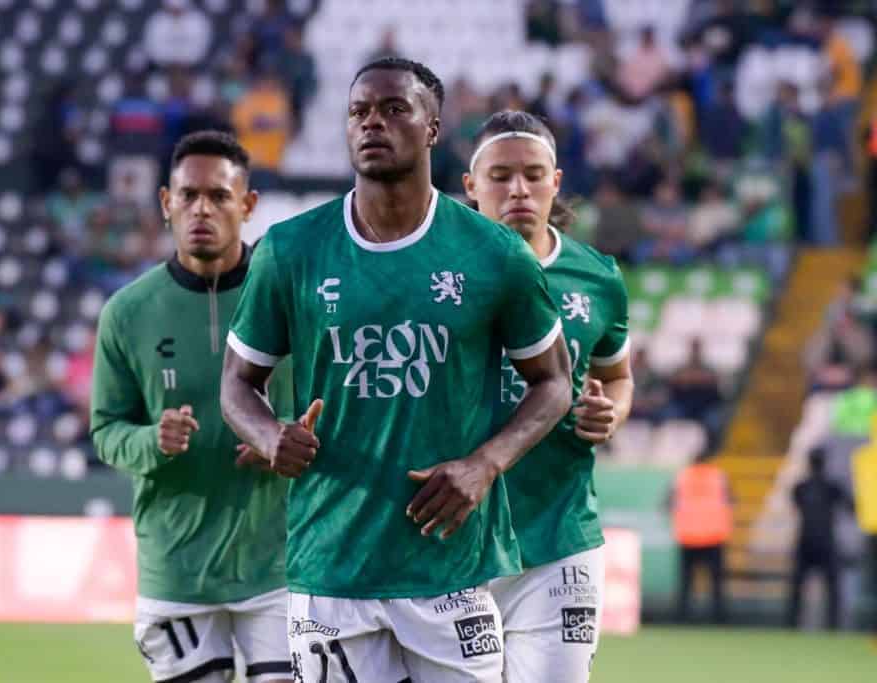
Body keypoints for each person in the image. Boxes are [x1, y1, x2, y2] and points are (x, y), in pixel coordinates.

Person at [221, 58, 572, 682]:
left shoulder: (495, 256)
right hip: (331, 567)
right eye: (358, 112)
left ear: (433, 128)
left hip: (450, 567)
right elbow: (236, 384)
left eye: (393, 109)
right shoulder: (291, 249)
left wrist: (485, 464)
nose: (372, 123)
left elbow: (553, 382)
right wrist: (269, 434)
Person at [90, 132, 295, 683]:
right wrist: (151, 440)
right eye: (188, 196)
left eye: (220, 196)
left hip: (281, 561)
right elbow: (106, 430)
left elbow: (331, 409)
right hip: (176, 570)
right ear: (166, 203)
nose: (202, 208)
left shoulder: (290, 297)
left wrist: (288, 438)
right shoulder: (127, 313)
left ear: (248, 205)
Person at [463, 110, 633, 682]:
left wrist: (610, 414)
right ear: (470, 186)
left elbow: (617, 378)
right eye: (501, 175)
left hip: (560, 540)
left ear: (556, 181)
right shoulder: (438, 271)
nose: (518, 189)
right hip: (454, 539)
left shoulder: (598, 277)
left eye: (534, 174)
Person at [786, 447, 854, 630]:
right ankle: (833, 625)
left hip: (806, 540)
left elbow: (797, 506)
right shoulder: (832, 486)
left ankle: (792, 624)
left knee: (798, 587)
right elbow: (851, 507)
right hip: (826, 541)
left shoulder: (800, 487)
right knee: (832, 588)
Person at [670, 454, 734, 624]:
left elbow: (668, 503)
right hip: (714, 535)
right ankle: (719, 619)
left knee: (686, 584)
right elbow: (731, 501)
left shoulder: (682, 476)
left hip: (688, 536)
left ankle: (682, 619)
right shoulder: (718, 476)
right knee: (716, 584)